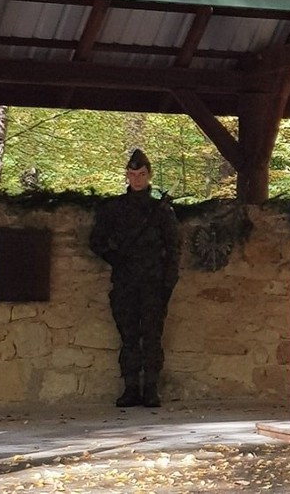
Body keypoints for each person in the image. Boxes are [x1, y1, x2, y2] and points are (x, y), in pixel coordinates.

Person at [89, 149, 181, 408]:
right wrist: (115, 259)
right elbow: (96, 241)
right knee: (128, 336)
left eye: (141, 174)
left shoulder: (161, 211)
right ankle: (131, 387)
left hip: (153, 282)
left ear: (149, 176)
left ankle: (151, 388)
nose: (137, 179)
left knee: (152, 335)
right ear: (126, 176)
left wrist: (169, 281)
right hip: (126, 281)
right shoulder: (114, 209)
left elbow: (174, 247)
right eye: (132, 174)